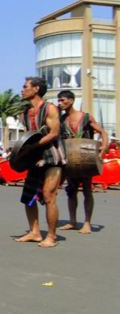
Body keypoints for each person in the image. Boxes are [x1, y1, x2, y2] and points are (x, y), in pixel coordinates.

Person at [14, 77, 64, 248]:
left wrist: (33, 146)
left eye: (25, 86)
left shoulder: (49, 108)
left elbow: (54, 133)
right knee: (28, 197)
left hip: (52, 158)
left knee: (49, 196)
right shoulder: (25, 112)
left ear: (36, 89)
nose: (22, 89)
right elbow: (30, 135)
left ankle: (51, 236)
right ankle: (34, 232)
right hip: (35, 158)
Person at [57, 90, 108, 234]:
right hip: (70, 159)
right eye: (59, 101)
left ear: (71, 101)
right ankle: (72, 221)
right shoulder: (61, 120)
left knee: (87, 190)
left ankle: (87, 223)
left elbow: (103, 132)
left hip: (86, 158)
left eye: (63, 100)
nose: (60, 103)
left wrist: (103, 148)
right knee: (71, 191)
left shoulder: (85, 117)